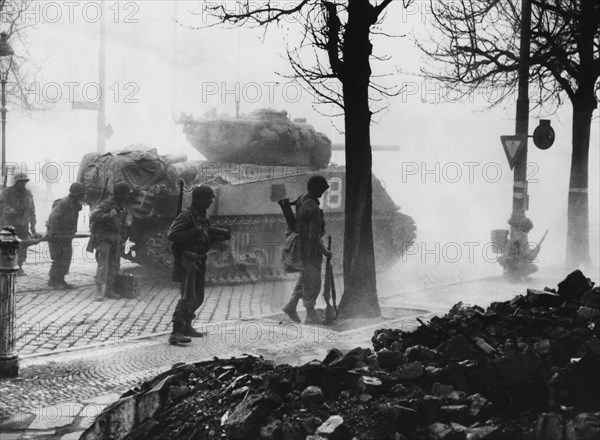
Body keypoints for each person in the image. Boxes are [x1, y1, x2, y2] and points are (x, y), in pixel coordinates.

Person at [168, 184, 225, 345]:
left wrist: (215, 235)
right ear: (200, 201)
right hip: (188, 260)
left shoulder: (202, 216)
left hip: (200, 259)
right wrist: (194, 231)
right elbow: (173, 234)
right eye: (208, 200)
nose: (210, 203)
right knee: (188, 297)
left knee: (198, 297)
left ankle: (187, 325)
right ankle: (176, 331)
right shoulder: (186, 216)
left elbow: (204, 233)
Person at [282, 175, 332, 325]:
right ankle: (310, 314)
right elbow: (314, 236)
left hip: (301, 246)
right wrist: (326, 252)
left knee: (305, 276)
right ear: (316, 189)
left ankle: (291, 305)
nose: (323, 193)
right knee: (313, 280)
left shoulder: (301, 198)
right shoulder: (314, 209)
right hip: (310, 249)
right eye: (322, 190)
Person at [89, 182, 132, 301]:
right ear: (119, 194)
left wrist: (123, 239)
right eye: (125, 194)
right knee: (103, 266)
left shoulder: (122, 205)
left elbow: (123, 225)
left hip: (115, 239)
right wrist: (109, 215)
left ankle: (109, 290)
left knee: (114, 266)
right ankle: (99, 291)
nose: (127, 196)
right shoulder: (106, 204)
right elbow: (93, 216)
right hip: (104, 239)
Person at [46, 182, 86, 289]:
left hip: (66, 236)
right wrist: (55, 234)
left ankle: (61, 279)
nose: (83, 196)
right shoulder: (64, 203)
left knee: (66, 258)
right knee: (59, 257)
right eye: (82, 194)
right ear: (76, 194)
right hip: (57, 236)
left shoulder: (74, 204)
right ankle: (53, 280)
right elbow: (53, 218)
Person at [0, 171, 40, 276]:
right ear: (16, 182)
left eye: (24, 182)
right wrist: (10, 210)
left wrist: (33, 227)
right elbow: (2, 204)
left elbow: (32, 210)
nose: (23, 184)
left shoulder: (28, 193)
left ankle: (20, 267)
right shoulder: (7, 192)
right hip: (10, 224)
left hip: (23, 224)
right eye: (21, 182)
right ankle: (9, 267)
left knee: (22, 247)